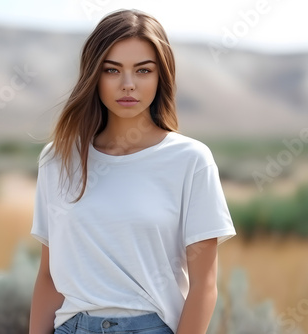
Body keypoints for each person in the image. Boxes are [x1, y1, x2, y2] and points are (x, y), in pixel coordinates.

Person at [29, 8, 236, 334]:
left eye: (143, 70)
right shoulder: (57, 159)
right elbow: (49, 276)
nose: (128, 84)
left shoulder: (190, 160)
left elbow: (204, 284)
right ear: (94, 75)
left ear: (160, 76)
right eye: (112, 70)